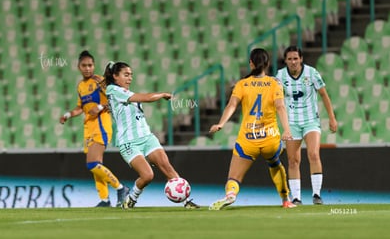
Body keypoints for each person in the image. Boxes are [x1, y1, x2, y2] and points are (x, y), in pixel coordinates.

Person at [103, 61, 199, 209]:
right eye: (126, 75)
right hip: (129, 142)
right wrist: (162, 94)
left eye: (131, 75)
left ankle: (186, 202)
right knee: (147, 175)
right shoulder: (112, 89)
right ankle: (131, 198)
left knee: (167, 167)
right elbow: (146, 98)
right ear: (115, 76)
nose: (130, 78)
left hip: (147, 137)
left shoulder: (123, 94)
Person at [209, 48, 296, 210]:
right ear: (267, 64)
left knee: (234, 177)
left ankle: (231, 195)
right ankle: (286, 199)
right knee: (275, 163)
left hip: (248, 139)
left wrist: (221, 123)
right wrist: (287, 130)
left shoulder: (242, 84)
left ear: (251, 64)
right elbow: (280, 107)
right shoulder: (274, 83)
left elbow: (232, 105)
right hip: (270, 138)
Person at [59, 50, 129, 207]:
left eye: (90, 65)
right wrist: (68, 115)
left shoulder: (100, 81)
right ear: (78, 67)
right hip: (88, 128)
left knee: (91, 164)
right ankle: (104, 200)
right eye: (84, 65)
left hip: (101, 126)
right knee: (96, 165)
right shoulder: (81, 86)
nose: (87, 68)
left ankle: (121, 187)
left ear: (94, 65)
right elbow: (80, 107)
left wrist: (100, 106)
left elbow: (114, 98)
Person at [276, 46, 337, 205]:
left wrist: (332, 118)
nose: (293, 62)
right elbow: (275, 97)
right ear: (285, 61)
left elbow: (324, 94)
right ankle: (296, 198)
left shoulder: (312, 73)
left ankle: (316, 195)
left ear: (301, 59)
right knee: (293, 160)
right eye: (289, 59)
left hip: (311, 121)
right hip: (292, 123)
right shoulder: (280, 76)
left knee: (314, 154)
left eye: (296, 58)